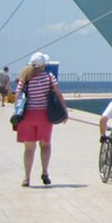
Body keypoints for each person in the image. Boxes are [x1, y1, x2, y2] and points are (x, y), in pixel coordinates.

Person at [15, 53, 68, 187]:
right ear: (43, 65)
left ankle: (26, 178)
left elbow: (17, 96)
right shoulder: (49, 77)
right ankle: (45, 172)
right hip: (44, 115)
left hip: (27, 116)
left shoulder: (25, 77)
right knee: (45, 145)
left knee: (29, 149)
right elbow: (58, 93)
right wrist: (65, 111)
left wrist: (18, 111)